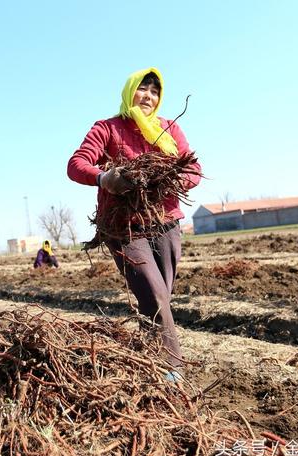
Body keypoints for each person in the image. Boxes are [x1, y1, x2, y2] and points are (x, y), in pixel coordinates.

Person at [67, 67, 202, 381]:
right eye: (143, 89)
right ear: (130, 92)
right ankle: (173, 374)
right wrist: (104, 178)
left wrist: (175, 179)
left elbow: (193, 166)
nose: (149, 97)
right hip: (125, 226)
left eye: (155, 92)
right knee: (154, 295)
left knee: (157, 299)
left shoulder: (168, 128)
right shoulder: (108, 128)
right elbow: (76, 164)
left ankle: (145, 358)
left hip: (166, 222)